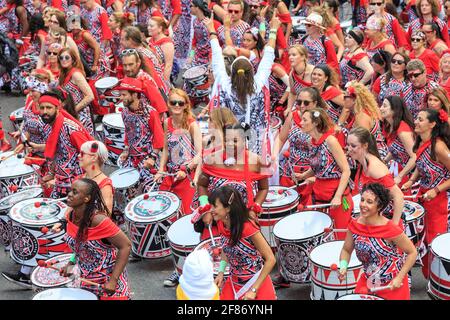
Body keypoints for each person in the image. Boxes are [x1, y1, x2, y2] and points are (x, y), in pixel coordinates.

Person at [206, 13, 280, 156]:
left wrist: (212, 30)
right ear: (251, 73)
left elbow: (216, 57)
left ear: (232, 72)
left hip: (230, 142)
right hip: (255, 143)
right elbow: (269, 56)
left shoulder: (224, 83)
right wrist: (274, 29)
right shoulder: (258, 85)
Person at [339, 183, 417, 300]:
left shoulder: (390, 229)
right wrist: (343, 266)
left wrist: (400, 277)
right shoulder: (355, 225)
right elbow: (346, 249)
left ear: (379, 206)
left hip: (392, 287)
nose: (363, 205)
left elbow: (412, 253)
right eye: (362, 200)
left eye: (369, 202)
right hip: (367, 281)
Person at [61, 178, 131, 299]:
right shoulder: (70, 216)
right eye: (70, 191)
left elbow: (126, 246)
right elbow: (79, 246)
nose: (70, 194)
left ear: (86, 199)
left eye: (75, 192)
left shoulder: (99, 220)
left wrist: (113, 280)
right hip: (85, 281)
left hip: (108, 282)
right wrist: (71, 264)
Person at [402, 109, 450, 278]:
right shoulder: (423, 142)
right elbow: (422, 165)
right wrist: (411, 180)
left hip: (438, 202)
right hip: (424, 197)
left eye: (420, 119)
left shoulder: (439, 146)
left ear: (432, 124)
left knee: (435, 242)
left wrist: (436, 190)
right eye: (416, 118)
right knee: (423, 239)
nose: (415, 121)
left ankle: (440, 281)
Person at [211, 186, 277, 300]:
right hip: (234, 283)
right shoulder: (221, 224)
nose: (211, 210)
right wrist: (221, 272)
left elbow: (271, 259)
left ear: (227, 208)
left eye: (215, 206)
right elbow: (226, 249)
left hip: (255, 283)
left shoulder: (248, 228)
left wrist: (254, 290)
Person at [297, 108, 353, 238]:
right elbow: (319, 167)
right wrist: (304, 175)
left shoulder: (330, 141)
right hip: (319, 194)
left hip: (336, 194)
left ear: (315, 123)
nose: (301, 122)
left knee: (339, 237)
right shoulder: (310, 142)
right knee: (321, 236)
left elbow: (346, 170)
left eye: (305, 120)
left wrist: (338, 196)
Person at [38, 90, 93, 198]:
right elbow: (57, 154)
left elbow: (91, 156)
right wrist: (52, 174)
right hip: (61, 182)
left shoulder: (71, 130)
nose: (45, 111)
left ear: (57, 109)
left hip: (77, 185)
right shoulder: (49, 126)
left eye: (49, 108)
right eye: (42, 108)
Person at [347, 127, 405, 225]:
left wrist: (394, 227)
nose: (349, 149)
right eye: (348, 145)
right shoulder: (363, 163)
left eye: (353, 146)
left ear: (365, 145)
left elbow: (398, 196)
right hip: (373, 219)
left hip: (384, 221)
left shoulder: (375, 167)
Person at [117, 77, 164, 192]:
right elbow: (128, 133)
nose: (120, 98)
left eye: (124, 95)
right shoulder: (124, 112)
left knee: (150, 192)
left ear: (134, 95)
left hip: (148, 158)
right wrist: (126, 149)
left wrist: (152, 157)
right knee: (123, 190)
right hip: (132, 158)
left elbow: (159, 138)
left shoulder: (151, 113)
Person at [342, 81, 388, 159]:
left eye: (346, 96)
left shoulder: (361, 116)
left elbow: (363, 142)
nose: (343, 99)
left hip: (374, 156)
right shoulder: (360, 112)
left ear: (354, 99)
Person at [380, 96, 417, 189]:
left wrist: (400, 176)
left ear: (394, 109)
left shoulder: (402, 129)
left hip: (407, 174)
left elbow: (414, 156)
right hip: (397, 169)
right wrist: (384, 161)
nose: (381, 108)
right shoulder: (389, 125)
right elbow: (395, 149)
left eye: (384, 106)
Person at [58, 47, 95, 136]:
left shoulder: (76, 74)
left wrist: (74, 110)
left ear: (73, 60)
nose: (64, 60)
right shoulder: (64, 74)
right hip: (71, 114)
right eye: (61, 57)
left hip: (80, 115)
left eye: (67, 57)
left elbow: (90, 96)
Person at [77, 141, 113, 214]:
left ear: (94, 157)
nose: (78, 156)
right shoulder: (78, 178)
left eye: (82, 153)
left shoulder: (105, 186)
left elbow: (105, 216)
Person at [286, 45, 314, 114]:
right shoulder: (292, 75)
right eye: (289, 55)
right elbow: (293, 93)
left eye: (294, 55)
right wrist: (289, 108)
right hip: (301, 106)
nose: (290, 57)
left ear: (303, 57)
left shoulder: (313, 72)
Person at [147, 16, 174, 81]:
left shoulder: (167, 43)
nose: (148, 28)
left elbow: (168, 65)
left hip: (160, 78)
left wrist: (164, 83)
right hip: (149, 76)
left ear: (160, 28)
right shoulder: (148, 40)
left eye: (151, 26)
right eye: (148, 25)